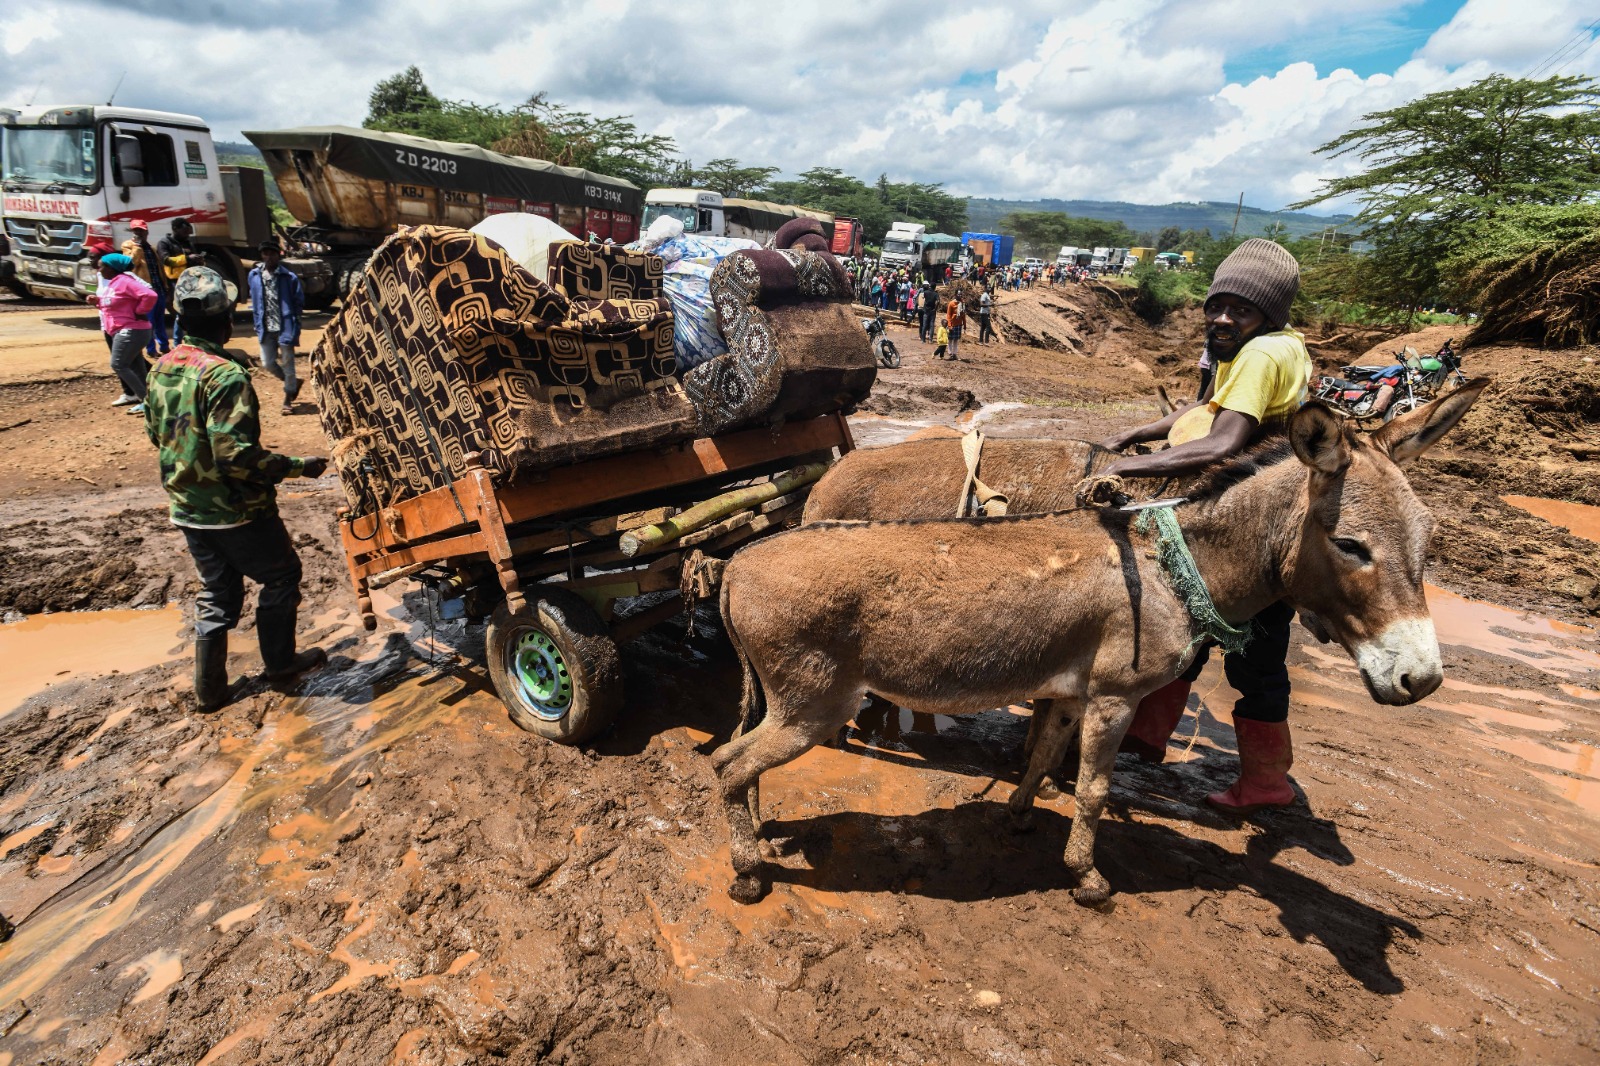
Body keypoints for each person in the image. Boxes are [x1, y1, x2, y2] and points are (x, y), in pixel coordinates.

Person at [1093, 238, 1312, 814]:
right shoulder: (1254, 348)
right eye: (1218, 304)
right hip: (1244, 521)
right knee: (1190, 630)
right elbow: (1206, 408)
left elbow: (1223, 440)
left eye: (1240, 309)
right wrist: (1137, 434)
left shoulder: (1263, 356)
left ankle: (1266, 781)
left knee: (1256, 657)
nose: (1222, 317)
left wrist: (1121, 466)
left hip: (1251, 530)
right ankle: (1144, 737)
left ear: (1270, 313)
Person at [143, 267, 330, 713]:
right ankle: (281, 667)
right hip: (237, 511)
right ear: (228, 320)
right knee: (281, 576)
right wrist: (299, 466)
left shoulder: (161, 368)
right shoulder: (225, 376)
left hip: (186, 506)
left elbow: (157, 435)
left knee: (217, 594)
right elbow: (237, 458)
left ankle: (210, 691)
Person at [88, 253, 157, 414]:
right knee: (138, 367)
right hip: (123, 329)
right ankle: (152, 400)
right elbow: (115, 305)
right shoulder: (113, 283)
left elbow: (150, 295)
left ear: (113, 268)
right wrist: (97, 301)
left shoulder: (125, 281)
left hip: (132, 330)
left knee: (118, 364)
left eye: (102, 266)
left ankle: (146, 402)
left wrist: (140, 310)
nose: (100, 269)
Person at [248, 240, 306, 416]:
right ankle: (293, 383)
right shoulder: (255, 275)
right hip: (265, 327)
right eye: (265, 253)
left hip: (285, 326)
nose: (269, 257)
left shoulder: (289, 277)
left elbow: (298, 303)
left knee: (288, 364)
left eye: (272, 253)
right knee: (267, 363)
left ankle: (288, 399)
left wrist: (295, 324)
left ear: (278, 255)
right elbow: (254, 299)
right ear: (262, 255)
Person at [124, 220, 171, 357]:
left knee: (160, 321)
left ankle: (164, 347)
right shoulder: (128, 246)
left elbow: (159, 270)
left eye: (142, 231)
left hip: (158, 290)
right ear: (133, 232)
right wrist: (137, 246)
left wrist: (165, 287)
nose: (139, 233)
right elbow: (131, 263)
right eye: (136, 230)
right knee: (148, 322)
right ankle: (151, 350)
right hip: (145, 293)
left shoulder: (151, 248)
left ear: (146, 232)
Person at [156, 217, 202, 344]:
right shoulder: (164, 243)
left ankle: (192, 341)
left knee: (192, 313)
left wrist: (199, 261)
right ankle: (177, 343)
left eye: (188, 232)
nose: (187, 234)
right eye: (185, 231)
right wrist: (187, 258)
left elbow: (193, 258)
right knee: (180, 314)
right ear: (175, 229)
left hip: (191, 281)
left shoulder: (188, 243)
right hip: (174, 283)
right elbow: (166, 260)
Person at [945, 296, 966, 360]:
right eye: (959, 294)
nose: (960, 296)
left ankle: (954, 354)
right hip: (952, 324)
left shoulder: (962, 304)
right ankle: (950, 353)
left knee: (956, 340)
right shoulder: (951, 303)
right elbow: (948, 315)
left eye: (961, 294)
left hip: (959, 324)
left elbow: (963, 315)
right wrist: (949, 325)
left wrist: (965, 324)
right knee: (950, 339)